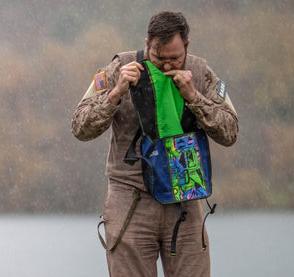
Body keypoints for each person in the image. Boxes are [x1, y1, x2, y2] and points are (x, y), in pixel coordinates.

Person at [71, 11, 238, 277]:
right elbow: (80, 127)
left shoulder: (200, 72)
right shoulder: (119, 68)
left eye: (175, 58)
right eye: (160, 58)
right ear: (146, 43)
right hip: (130, 200)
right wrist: (115, 94)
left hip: (186, 197)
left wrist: (194, 97)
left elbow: (230, 132)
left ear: (187, 45)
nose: (168, 66)